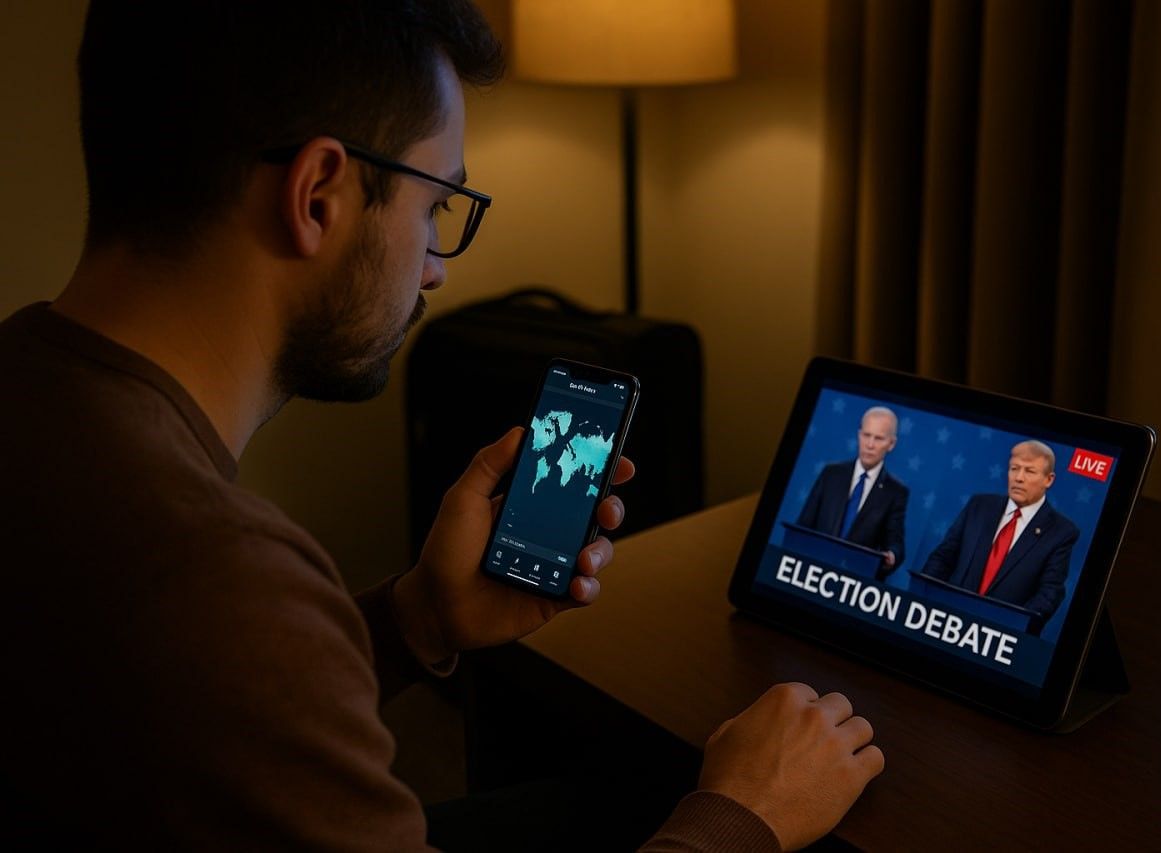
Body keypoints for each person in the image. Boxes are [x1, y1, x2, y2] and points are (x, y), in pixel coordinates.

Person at [0, 2, 883, 850]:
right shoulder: (223, 579)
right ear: (316, 195)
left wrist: (416, 616)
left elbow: (194, 708)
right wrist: (746, 815)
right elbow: (233, 643)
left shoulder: (34, 387)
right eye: (435, 208)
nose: (435, 271)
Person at [921, 440, 1079, 626]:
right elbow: (942, 558)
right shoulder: (979, 506)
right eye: (1014, 468)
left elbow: (1049, 594)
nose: (1018, 478)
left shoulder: (1061, 532)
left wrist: (1008, 626)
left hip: (998, 637)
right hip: (945, 622)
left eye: (1029, 471)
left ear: (1049, 479)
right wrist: (927, 601)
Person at [797, 406, 909, 579]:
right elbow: (803, 527)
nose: (870, 445)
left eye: (878, 438)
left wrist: (891, 556)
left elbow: (895, 543)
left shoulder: (896, 492)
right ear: (859, 434)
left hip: (853, 580)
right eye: (866, 435)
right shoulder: (831, 474)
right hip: (811, 572)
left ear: (891, 444)